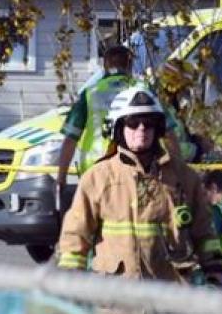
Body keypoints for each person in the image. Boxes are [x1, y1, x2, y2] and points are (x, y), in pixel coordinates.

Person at [56, 85, 216, 314]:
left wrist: (216, 274)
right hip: (117, 307)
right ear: (119, 128)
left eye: (149, 123)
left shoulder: (183, 177)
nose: (141, 129)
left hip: (169, 301)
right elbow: (74, 237)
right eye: (133, 123)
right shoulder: (98, 178)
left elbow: (205, 233)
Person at [56, 46, 181, 213]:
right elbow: (169, 134)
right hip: (137, 167)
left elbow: (70, 140)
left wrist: (61, 179)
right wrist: (178, 171)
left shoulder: (90, 93)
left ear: (105, 66)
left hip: (95, 171)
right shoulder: (144, 91)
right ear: (130, 65)